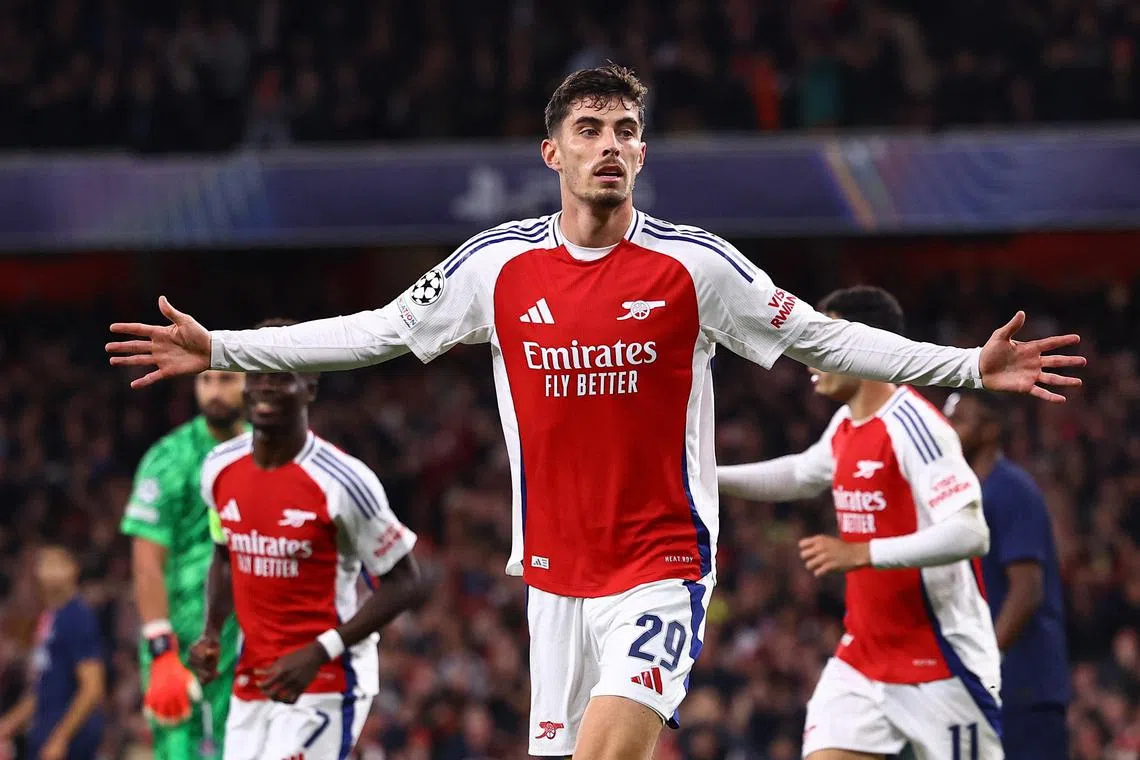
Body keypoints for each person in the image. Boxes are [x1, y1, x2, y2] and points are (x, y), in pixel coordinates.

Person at [105, 65, 1083, 760]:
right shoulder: (498, 267)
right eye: (589, 130)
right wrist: (225, 348)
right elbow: (375, 333)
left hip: (657, 569)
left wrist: (965, 363)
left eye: (623, 131)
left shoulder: (695, 266)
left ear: (643, 152)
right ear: (552, 151)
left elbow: (826, 341)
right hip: (553, 582)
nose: (608, 146)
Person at [718, 286, 1002, 760]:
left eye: (821, 340)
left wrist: (864, 553)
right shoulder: (848, 425)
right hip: (864, 659)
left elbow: (971, 533)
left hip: (941, 664)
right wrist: (699, 475)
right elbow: (799, 473)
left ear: (861, 343)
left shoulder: (916, 425)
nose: (809, 356)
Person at [185, 321, 432, 760]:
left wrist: (321, 650)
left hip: (327, 677)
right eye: (257, 372)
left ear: (310, 386)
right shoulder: (218, 468)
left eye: (282, 374)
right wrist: (210, 633)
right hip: (254, 675)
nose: (266, 386)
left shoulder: (344, 482)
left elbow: (407, 581)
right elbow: (226, 556)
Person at [119, 370, 247, 758]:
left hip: (248, 642)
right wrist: (160, 651)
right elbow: (146, 562)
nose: (215, 391)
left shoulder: (268, 453)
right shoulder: (169, 457)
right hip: (181, 644)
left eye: (226, 379)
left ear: (250, 383)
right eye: (206, 380)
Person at [945, 391, 1071, 760]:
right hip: (988, 688)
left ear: (990, 430)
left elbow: (1026, 591)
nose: (948, 429)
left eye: (960, 420)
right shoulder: (962, 496)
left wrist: (983, 662)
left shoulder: (1010, 490)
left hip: (1024, 687)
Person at [0, 546, 105, 760]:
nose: (49, 570)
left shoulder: (77, 616)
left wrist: (61, 737)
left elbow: (92, 687)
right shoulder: (50, 618)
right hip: (43, 736)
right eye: (44, 564)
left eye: (58, 563)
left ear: (74, 570)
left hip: (68, 744)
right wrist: (8, 725)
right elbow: (43, 689)